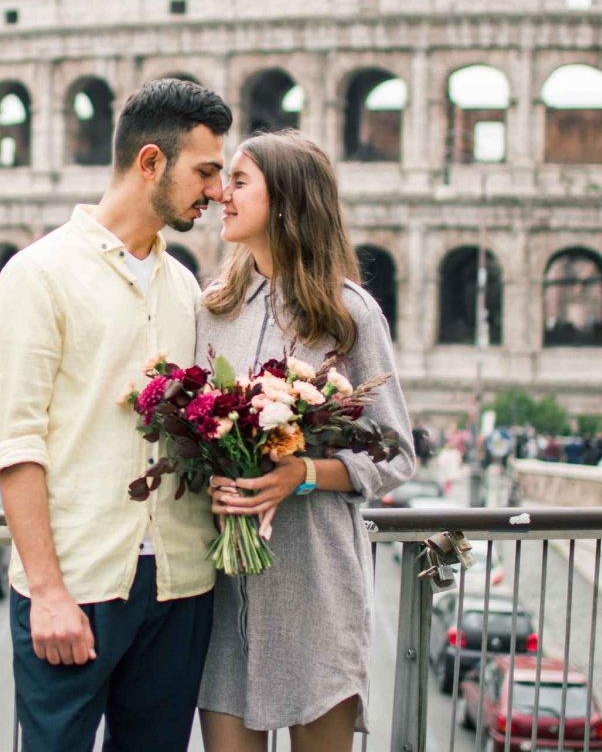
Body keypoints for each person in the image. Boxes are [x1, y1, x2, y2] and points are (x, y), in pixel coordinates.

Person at [0, 78, 232, 751]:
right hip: (76, 585)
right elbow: (15, 442)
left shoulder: (186, 289)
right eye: (205, 171)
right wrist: (47, 589)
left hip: (180, 584)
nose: (215, 191)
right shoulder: (38, 274)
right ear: (151, 161)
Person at [198, 131, 415, 752]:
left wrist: (306, 473)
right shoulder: (216, 307)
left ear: (286, 201)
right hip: (227, 591)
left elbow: (396, 451)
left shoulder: (349, 314)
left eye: (239, 183)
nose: (221, 195)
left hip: (315, 585)